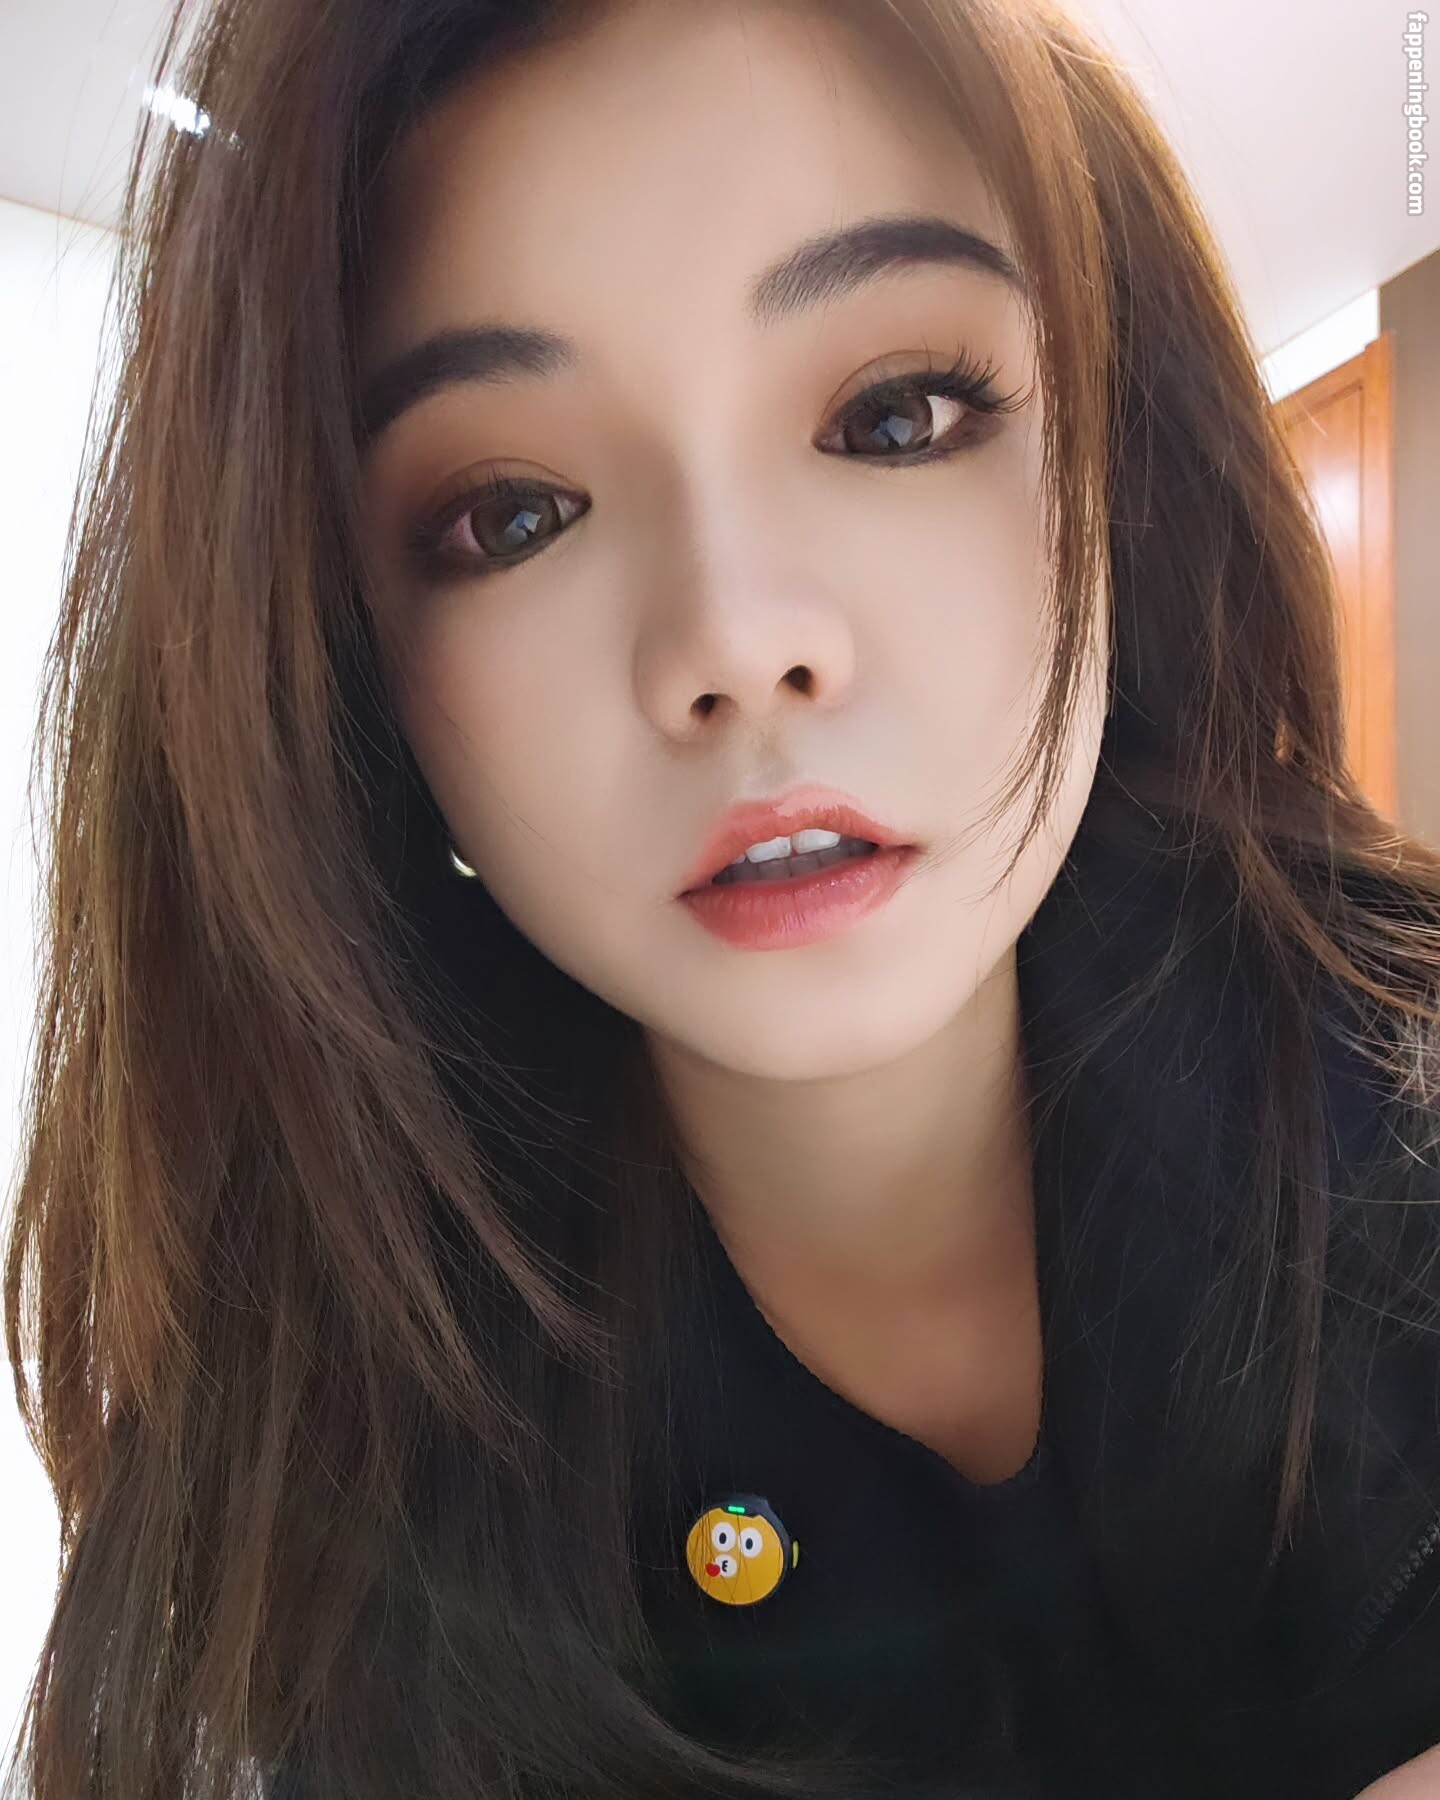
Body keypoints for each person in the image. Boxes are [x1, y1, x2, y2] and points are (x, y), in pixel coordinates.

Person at [6, 0, 1440, 1795]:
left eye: (896, 415)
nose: (737, 641)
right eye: (511, 515)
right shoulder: (333, 1471)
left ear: (1117, 464)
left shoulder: (1396, 1096)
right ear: (352, 684)